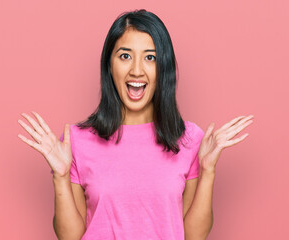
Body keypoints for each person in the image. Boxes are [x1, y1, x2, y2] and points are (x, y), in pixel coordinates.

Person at [17, 9, 254, 240]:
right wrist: (60, 176)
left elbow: (193, 235)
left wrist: (207, 170)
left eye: (150, 57)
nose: (137, 70)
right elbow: (70, 237)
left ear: (164, 67)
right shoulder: (76, 140)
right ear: (109, 65)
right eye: (125, 56)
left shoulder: (190, 138)